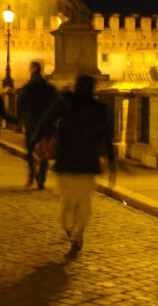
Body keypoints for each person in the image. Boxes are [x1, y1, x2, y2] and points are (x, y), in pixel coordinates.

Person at [47, 74, 114, 257]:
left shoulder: (65, 102)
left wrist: (38, 138)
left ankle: (70, 228)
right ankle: (79, 231)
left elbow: (47, 119)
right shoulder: (99, 108)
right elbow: (107, 136)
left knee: (67, 199)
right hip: (87, 161)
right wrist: (112, 162)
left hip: (66, 160)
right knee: (83, 200)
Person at [18, 61, 58, 189]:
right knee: (44, 151)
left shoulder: (28, 86)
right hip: (46, 122)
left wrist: (21, 117)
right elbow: (56, 103)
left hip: (32, 122)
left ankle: (32, 174)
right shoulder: (49, 87)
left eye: (30, 67)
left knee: (30, 149)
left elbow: (21, 103)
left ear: (34, 69)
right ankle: (41, 178)